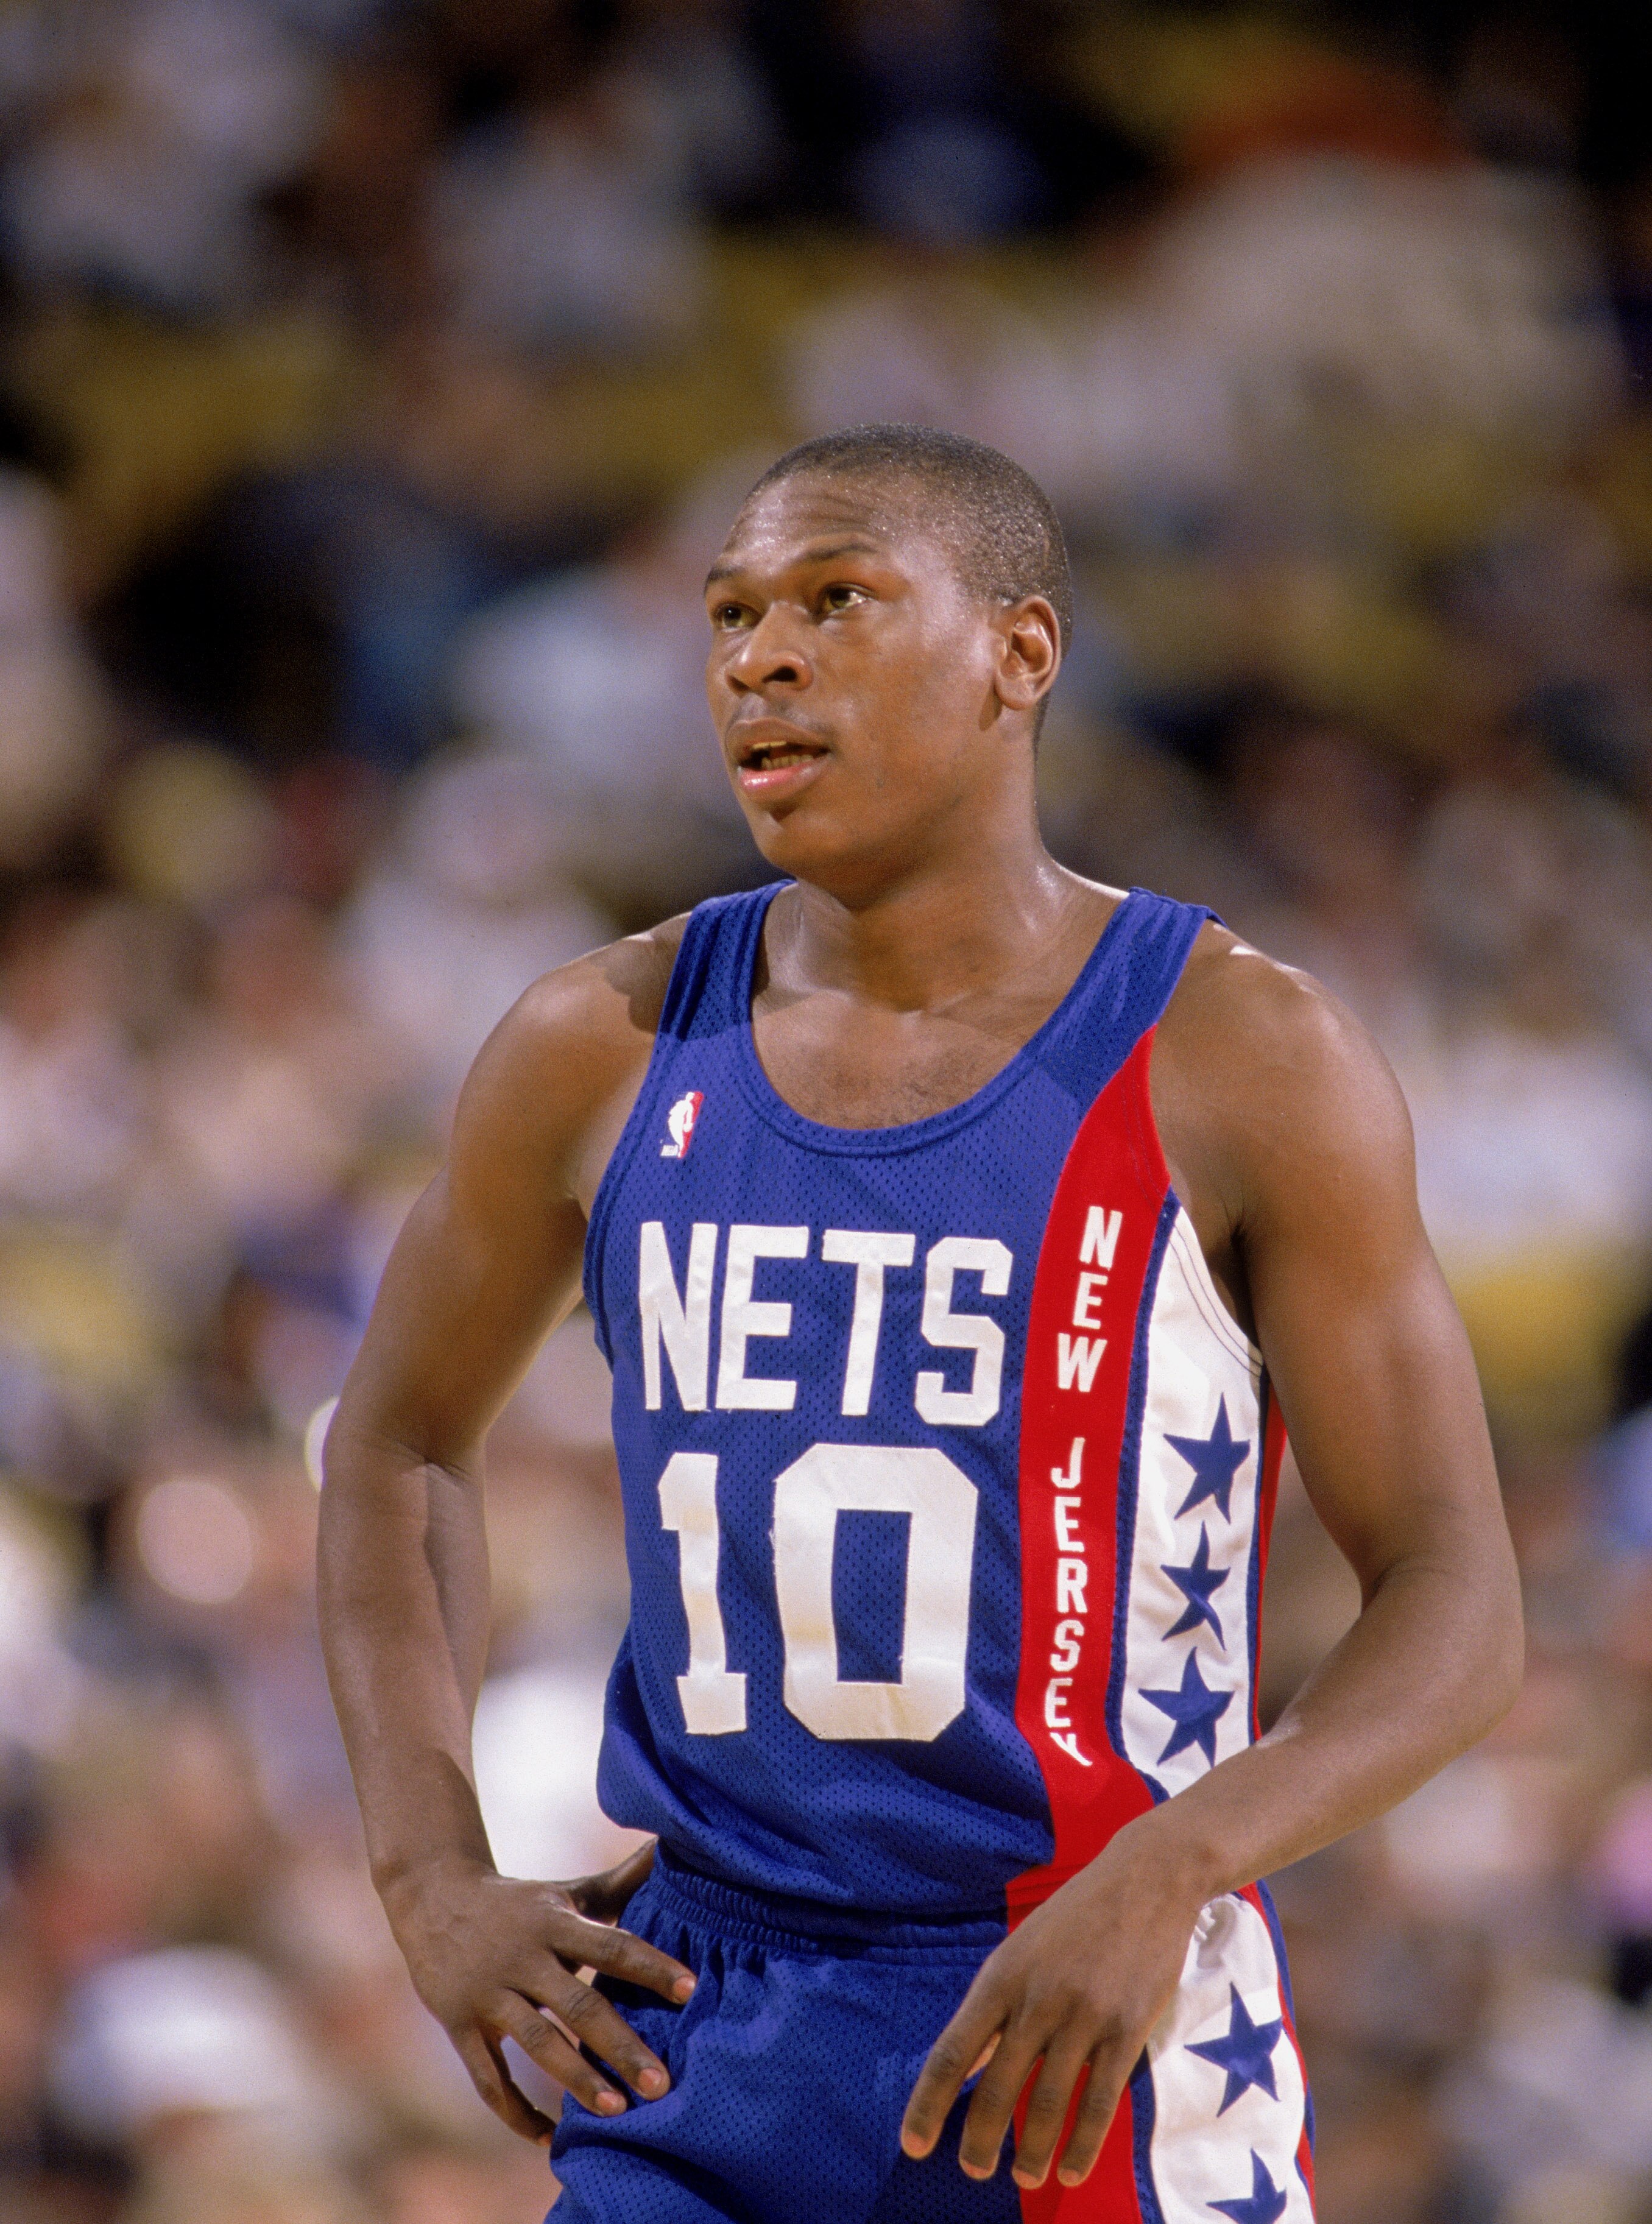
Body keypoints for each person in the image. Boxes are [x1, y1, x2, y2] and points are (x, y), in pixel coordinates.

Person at [317, 425, 1523, 2222]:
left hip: (1081, 2013)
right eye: (730, 614)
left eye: (835, 600)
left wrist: (1184, 1857)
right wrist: (427, 1873)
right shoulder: (604, 1040)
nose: (760, 655)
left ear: (1021, 655)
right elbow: (398, 1443)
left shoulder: (1245, 1055)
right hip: (697, 2029)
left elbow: (1458, 1593)